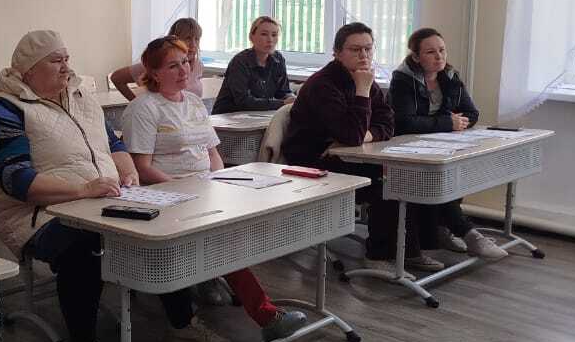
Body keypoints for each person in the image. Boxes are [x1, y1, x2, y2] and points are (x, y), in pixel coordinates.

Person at [0, 30, 232, 342]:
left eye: (67, 58)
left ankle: (183, 324)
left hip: (102, 199)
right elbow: (14, 179)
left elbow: (114, 144)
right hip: (39, 214)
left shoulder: (81, 97)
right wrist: (82, 190)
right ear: (29, 70)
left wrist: (127, 173)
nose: (66, 67)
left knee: (160, 228)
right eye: (56, 61)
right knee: (85, 242)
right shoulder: (5, 109)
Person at [121, 37, 308, 342]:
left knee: (231, 236)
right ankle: (266, 314)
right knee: (223, 243)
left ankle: (220, 285)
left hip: (203, 189)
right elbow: (141, 167)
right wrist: (185, 191)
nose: (184, 70)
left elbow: (212, 152)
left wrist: (218, 182)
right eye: (173, 66)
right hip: (167, 194)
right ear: (154, 73)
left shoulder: (193, 103)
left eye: (185, 62)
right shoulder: (143, 108)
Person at [281, 23, 436, 269]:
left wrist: (365, 135)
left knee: (404, 174)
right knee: (385, 181)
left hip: (347, 154)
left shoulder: (364, 76)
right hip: (313, 162)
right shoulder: (323, 84)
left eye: (368, 49)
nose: (364, 56)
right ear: (337, 53)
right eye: (355, 50)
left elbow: (388, 123)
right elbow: (350, 134)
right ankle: (379, 255)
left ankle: (409, 249)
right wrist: (362, 92)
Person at [390, 28, 507, 262]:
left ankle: (444, 231)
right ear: (416, 57)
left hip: (441, 146)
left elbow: (472, 113)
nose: (439, 56)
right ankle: (470, 234)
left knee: (455, 176)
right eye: (431, 52)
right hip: (408, 150)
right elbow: (405, 122)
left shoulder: (450, 77)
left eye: (442, 50)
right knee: (438, 181)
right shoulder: (403, 80)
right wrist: (447, 122)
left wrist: (454, 123)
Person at [212, 15, 295, 114]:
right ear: (252, 37)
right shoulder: (240, 61)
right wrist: (282, 103)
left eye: (274, 35)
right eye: (264, 34)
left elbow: (283, 92)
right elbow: (243, 101)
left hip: (258, 115)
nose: (270, 40)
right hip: (228, 116)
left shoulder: (278, 59)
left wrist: (293, 99)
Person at [108, 17, 205, 102]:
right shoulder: (158, 63)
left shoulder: (198, 65)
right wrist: (135, 102)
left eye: (197, 39)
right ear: (175, 40)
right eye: (188, 38)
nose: (193, 44)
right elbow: (116, 78)